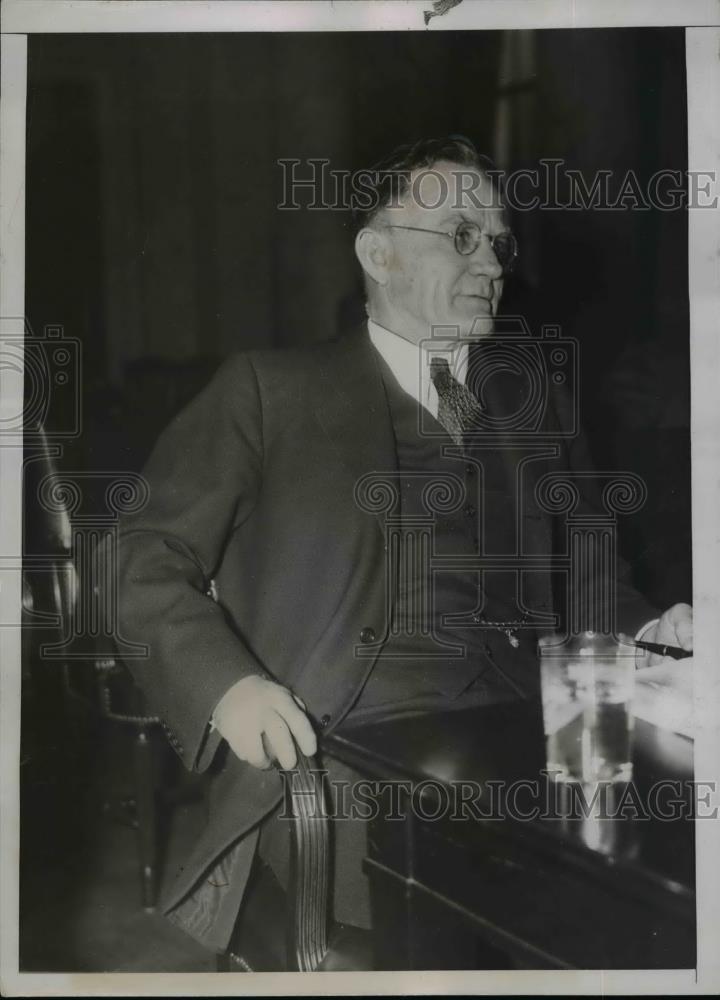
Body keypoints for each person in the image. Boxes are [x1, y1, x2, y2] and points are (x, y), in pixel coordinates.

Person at [112, 136, 693, 955]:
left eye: (497, 240)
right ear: (377, 253)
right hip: (343, 749)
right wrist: (229, 687)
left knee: (659, 875)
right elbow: (138, 558)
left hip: (531, 732)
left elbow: (591, 586)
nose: (490, 260)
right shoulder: (269, 392)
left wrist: (649, 627)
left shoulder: (535, 406)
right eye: (459, 234)